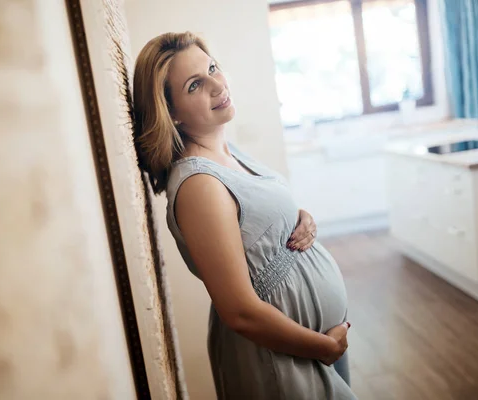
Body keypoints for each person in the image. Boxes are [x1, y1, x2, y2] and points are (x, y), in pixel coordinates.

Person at [132, 31, 357, 400]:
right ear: (169, 111)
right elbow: (240, 312)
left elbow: (252, 224)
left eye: (213, 69)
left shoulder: (225, 150)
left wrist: (299, 217)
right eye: (194, 85)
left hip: (307, 348)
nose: (217, 85)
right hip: (281, 358)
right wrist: (324, 349)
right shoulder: (198, 185)